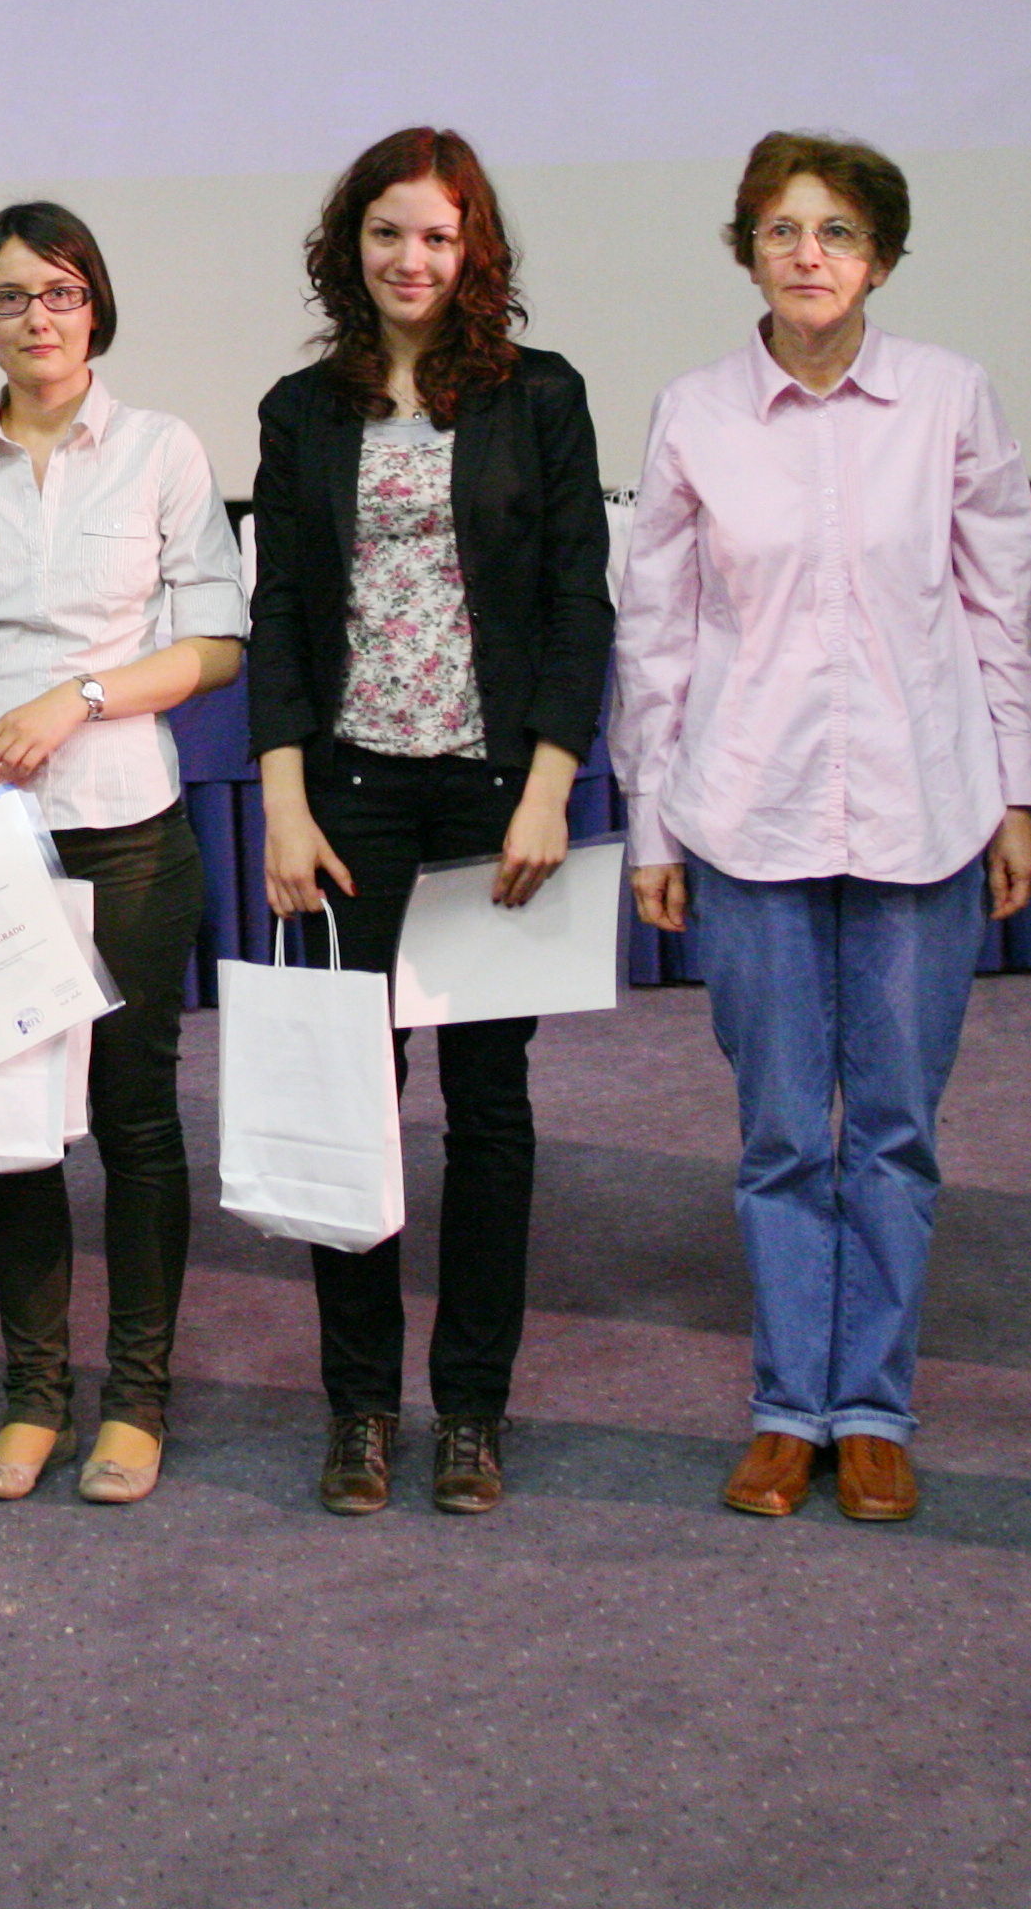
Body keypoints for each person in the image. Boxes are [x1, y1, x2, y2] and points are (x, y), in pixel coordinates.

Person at [611, 132, 1031, 1529]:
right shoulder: (695, 413)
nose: (810, 255)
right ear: (747, 250)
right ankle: (786, 1407)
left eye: (840, 233)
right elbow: (656, 633)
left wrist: (1019, 793)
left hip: (929, 810)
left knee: (897, 1133)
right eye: (783, 231)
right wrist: (650, 827)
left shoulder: (949, 398)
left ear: (883, 259)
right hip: (747, 814)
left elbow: (1000, 608)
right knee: (784, 1134)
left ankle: (872, 1409)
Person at [247, 128, 612, 1518]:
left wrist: (550, 786)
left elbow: (579, 599)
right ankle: (358, 1410)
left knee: (490, 1112)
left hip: (493, 800)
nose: (413, 259)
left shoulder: (541, 396)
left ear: (476, 254)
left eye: (440, 237)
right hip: (350, 801)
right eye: (389, 232)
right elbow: (283, 613)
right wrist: (284, 802)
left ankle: (470, 1412)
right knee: (351, 1106)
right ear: (351, 246)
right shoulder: (302, 411)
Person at [0, 202, 246, 1507]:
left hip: (129, 826)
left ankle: (136, 1401)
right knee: (14, 1129)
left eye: (63, 293)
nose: (40, 317)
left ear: (97, 309)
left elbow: (216, 644)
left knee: (136, 1120)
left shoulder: (160, 448)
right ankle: (34, 1398)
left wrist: (76, 700)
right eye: (13, 297)